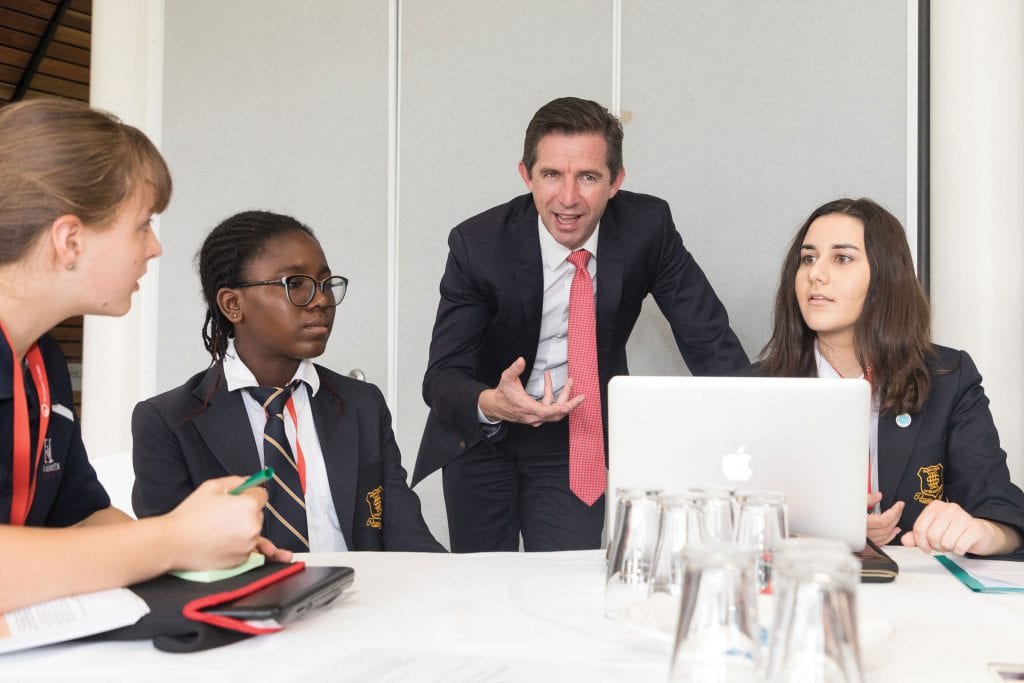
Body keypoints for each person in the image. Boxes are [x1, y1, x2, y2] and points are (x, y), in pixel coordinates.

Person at [413, 97, 748, 553]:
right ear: (525, 175)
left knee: (567, 588)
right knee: (482, 591)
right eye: (551, 175)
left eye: (588, 177)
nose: (568, 198)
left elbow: (710, 341)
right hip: (484, 435)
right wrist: (493, 403)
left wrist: (761, 428)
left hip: (576, 437)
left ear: (616, 182)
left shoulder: (647, 228)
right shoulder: (479, 244)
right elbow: (442, 376)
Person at [0, 99, 285, 614]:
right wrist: (174, 539)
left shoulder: (41, 362)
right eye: (142, 224)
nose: (154, 248)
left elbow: (81, 517)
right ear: (69, 240)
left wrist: (199, 560)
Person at [131, 210, 445, 553]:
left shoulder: (361, 404)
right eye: (295, 284)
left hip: (361, 595)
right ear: (233, 304)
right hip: (243, 602)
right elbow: (170, 554)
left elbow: (405, 534)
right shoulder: (168, 421)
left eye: (325, 284)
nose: (322, 300)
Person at [758, 197, 1024, 556]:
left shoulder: (949, 376)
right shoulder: (761, 387)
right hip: (805, 583)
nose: (815, 274)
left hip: (918, 594)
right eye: (808, 258)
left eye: (842, 258)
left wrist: (980, 531)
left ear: (886, 277)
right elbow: (729, 517)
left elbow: (1001, 511)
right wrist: (813, 531)